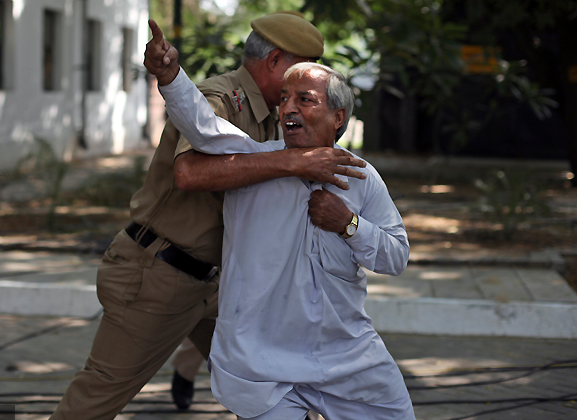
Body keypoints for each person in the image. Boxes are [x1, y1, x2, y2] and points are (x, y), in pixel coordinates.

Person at [49, 13, 368, 420]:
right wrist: (293, 162)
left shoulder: (276, 114)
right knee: (95, 400)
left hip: (215, 280)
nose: (305, 86)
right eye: (301, 72)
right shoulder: (220, 97)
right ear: (273, 61)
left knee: (270, 388)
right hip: (159, 274)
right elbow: (190, 173)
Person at [151, 32, 416, 420]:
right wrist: (171, 75)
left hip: (346, 358)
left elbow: (396, 257)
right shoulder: (253, 162)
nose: (287, 109)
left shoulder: (360, 177)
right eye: (283, 99)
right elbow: (202, 125)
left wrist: (350, 224)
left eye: (305, 100)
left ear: (338, 117)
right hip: (261, 363)